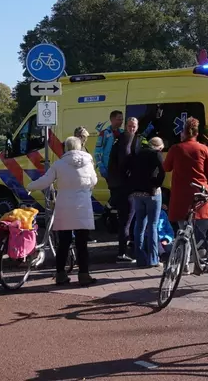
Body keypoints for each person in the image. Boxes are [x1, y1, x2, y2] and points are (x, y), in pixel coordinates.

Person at [27, 136, 98, 286]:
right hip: (82, 206)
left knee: (64, 242)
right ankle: (84, 274)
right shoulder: (88, 162)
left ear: (66, 148)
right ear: (79, 147)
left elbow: (45, 181)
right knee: (82, 243)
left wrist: (30, 186)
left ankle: (60, 274)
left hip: (64, 205)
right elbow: (94, 181)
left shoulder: (59, 164)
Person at [163, 117, 208, 270]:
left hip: (181, 197)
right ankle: (206, 261)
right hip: (201, 196)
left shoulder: (176, 148)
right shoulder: (203, 149)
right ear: (196, 133)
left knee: (183, 231)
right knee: (204, 232)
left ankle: (184, 264)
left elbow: (166, 167)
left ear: (183, 133)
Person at [108, 117, 144, 263]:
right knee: (126, 220)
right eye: (129, 126)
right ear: (125, 126)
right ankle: (121, 253)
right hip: (124, 188)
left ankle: (129, 249)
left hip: (129, 187)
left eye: (134, 126)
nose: (132, 129)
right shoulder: (122, 141)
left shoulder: (138, 139)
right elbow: (121, 164)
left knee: (131, 219)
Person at [128, 137, 166, 267]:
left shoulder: (138, 153)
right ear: (159, 147)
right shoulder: (156, 154)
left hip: (137, 193)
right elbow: (162, 171)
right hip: (152, 193)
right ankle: (153, 259)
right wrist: (157, 184)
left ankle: (140, 258)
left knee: (139, 225)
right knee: (153, 225)